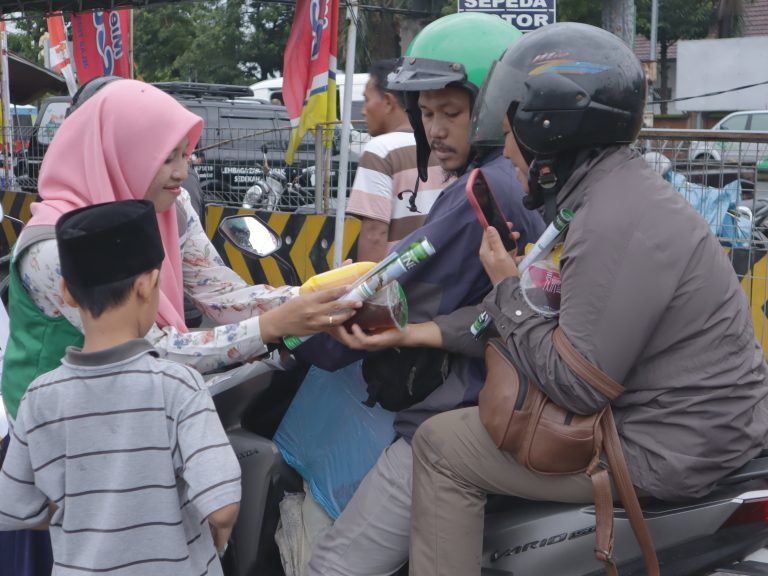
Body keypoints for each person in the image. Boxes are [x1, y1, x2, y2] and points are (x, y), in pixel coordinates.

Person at [398, 23, 768, 576]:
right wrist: (422, 330)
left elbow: (577, 380)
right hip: (684, 425)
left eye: (511, 136)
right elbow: (547, 311)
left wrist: (504, 287)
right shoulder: (607, 193)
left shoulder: (611, 220)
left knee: (441, 444)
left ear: (551, 132)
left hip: (666, 447)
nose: (506, 153)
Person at [0, 79, 359, 576]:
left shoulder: (168, 208)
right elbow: (149, 352)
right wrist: (274, 325)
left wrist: (316, 299)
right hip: (67, 442)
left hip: (138, 415)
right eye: (167, 159)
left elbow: (220, 293)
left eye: (186, 155)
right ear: (122, 154)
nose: (182, 173)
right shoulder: (54, 249)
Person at [302, 13, 545, 576]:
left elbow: (395, 288)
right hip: (504, 398)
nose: (435, 130)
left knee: (332, 568)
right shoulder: (517, 180)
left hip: (456, 412)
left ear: (494, 109)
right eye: (427, 113)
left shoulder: (481, 190)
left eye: (452, 113)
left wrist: (300, 335)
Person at [0, 199, 241, 575]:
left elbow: (13, 507)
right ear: (147, 287)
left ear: (66, 291)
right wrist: (219, 531)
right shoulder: (178, 386)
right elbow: (222, 504)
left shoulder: (40, 398)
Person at [346, 59, 446, 261]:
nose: (364, 110)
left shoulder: (381, 151)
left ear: (389, 102)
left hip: (398, 283)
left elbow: (375, 233)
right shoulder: (444, 145)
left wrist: (365, 289)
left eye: (367, 100)